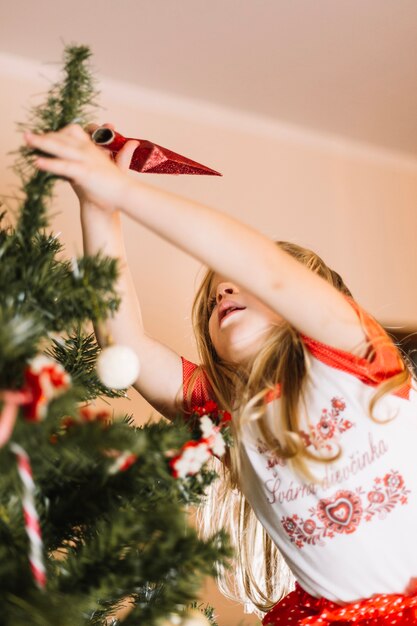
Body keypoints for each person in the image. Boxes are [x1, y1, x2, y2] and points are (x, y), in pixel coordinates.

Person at [25, 124, 417, 625]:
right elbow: (127, 347)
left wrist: (124, 189)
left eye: (237, 285)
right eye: (214, 298)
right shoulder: (228, 412)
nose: (223, 294)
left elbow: (264, 266)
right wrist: (99, 208)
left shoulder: (353, 354)